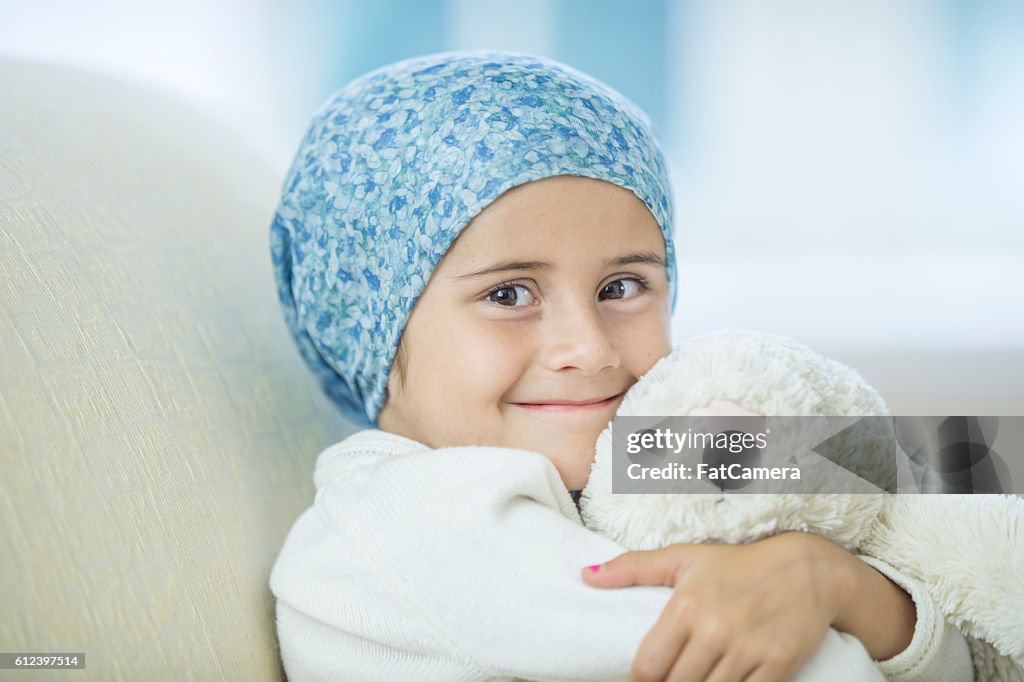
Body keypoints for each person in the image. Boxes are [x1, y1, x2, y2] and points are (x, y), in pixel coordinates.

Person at [268, 51, 973, 681]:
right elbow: (811, 663)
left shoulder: (643, 452)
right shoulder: (410, 519)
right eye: (508, 294)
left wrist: (840, 583)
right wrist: (837, 595)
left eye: (622, 288)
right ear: (372, 325)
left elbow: (951, 563)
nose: (591, 349)